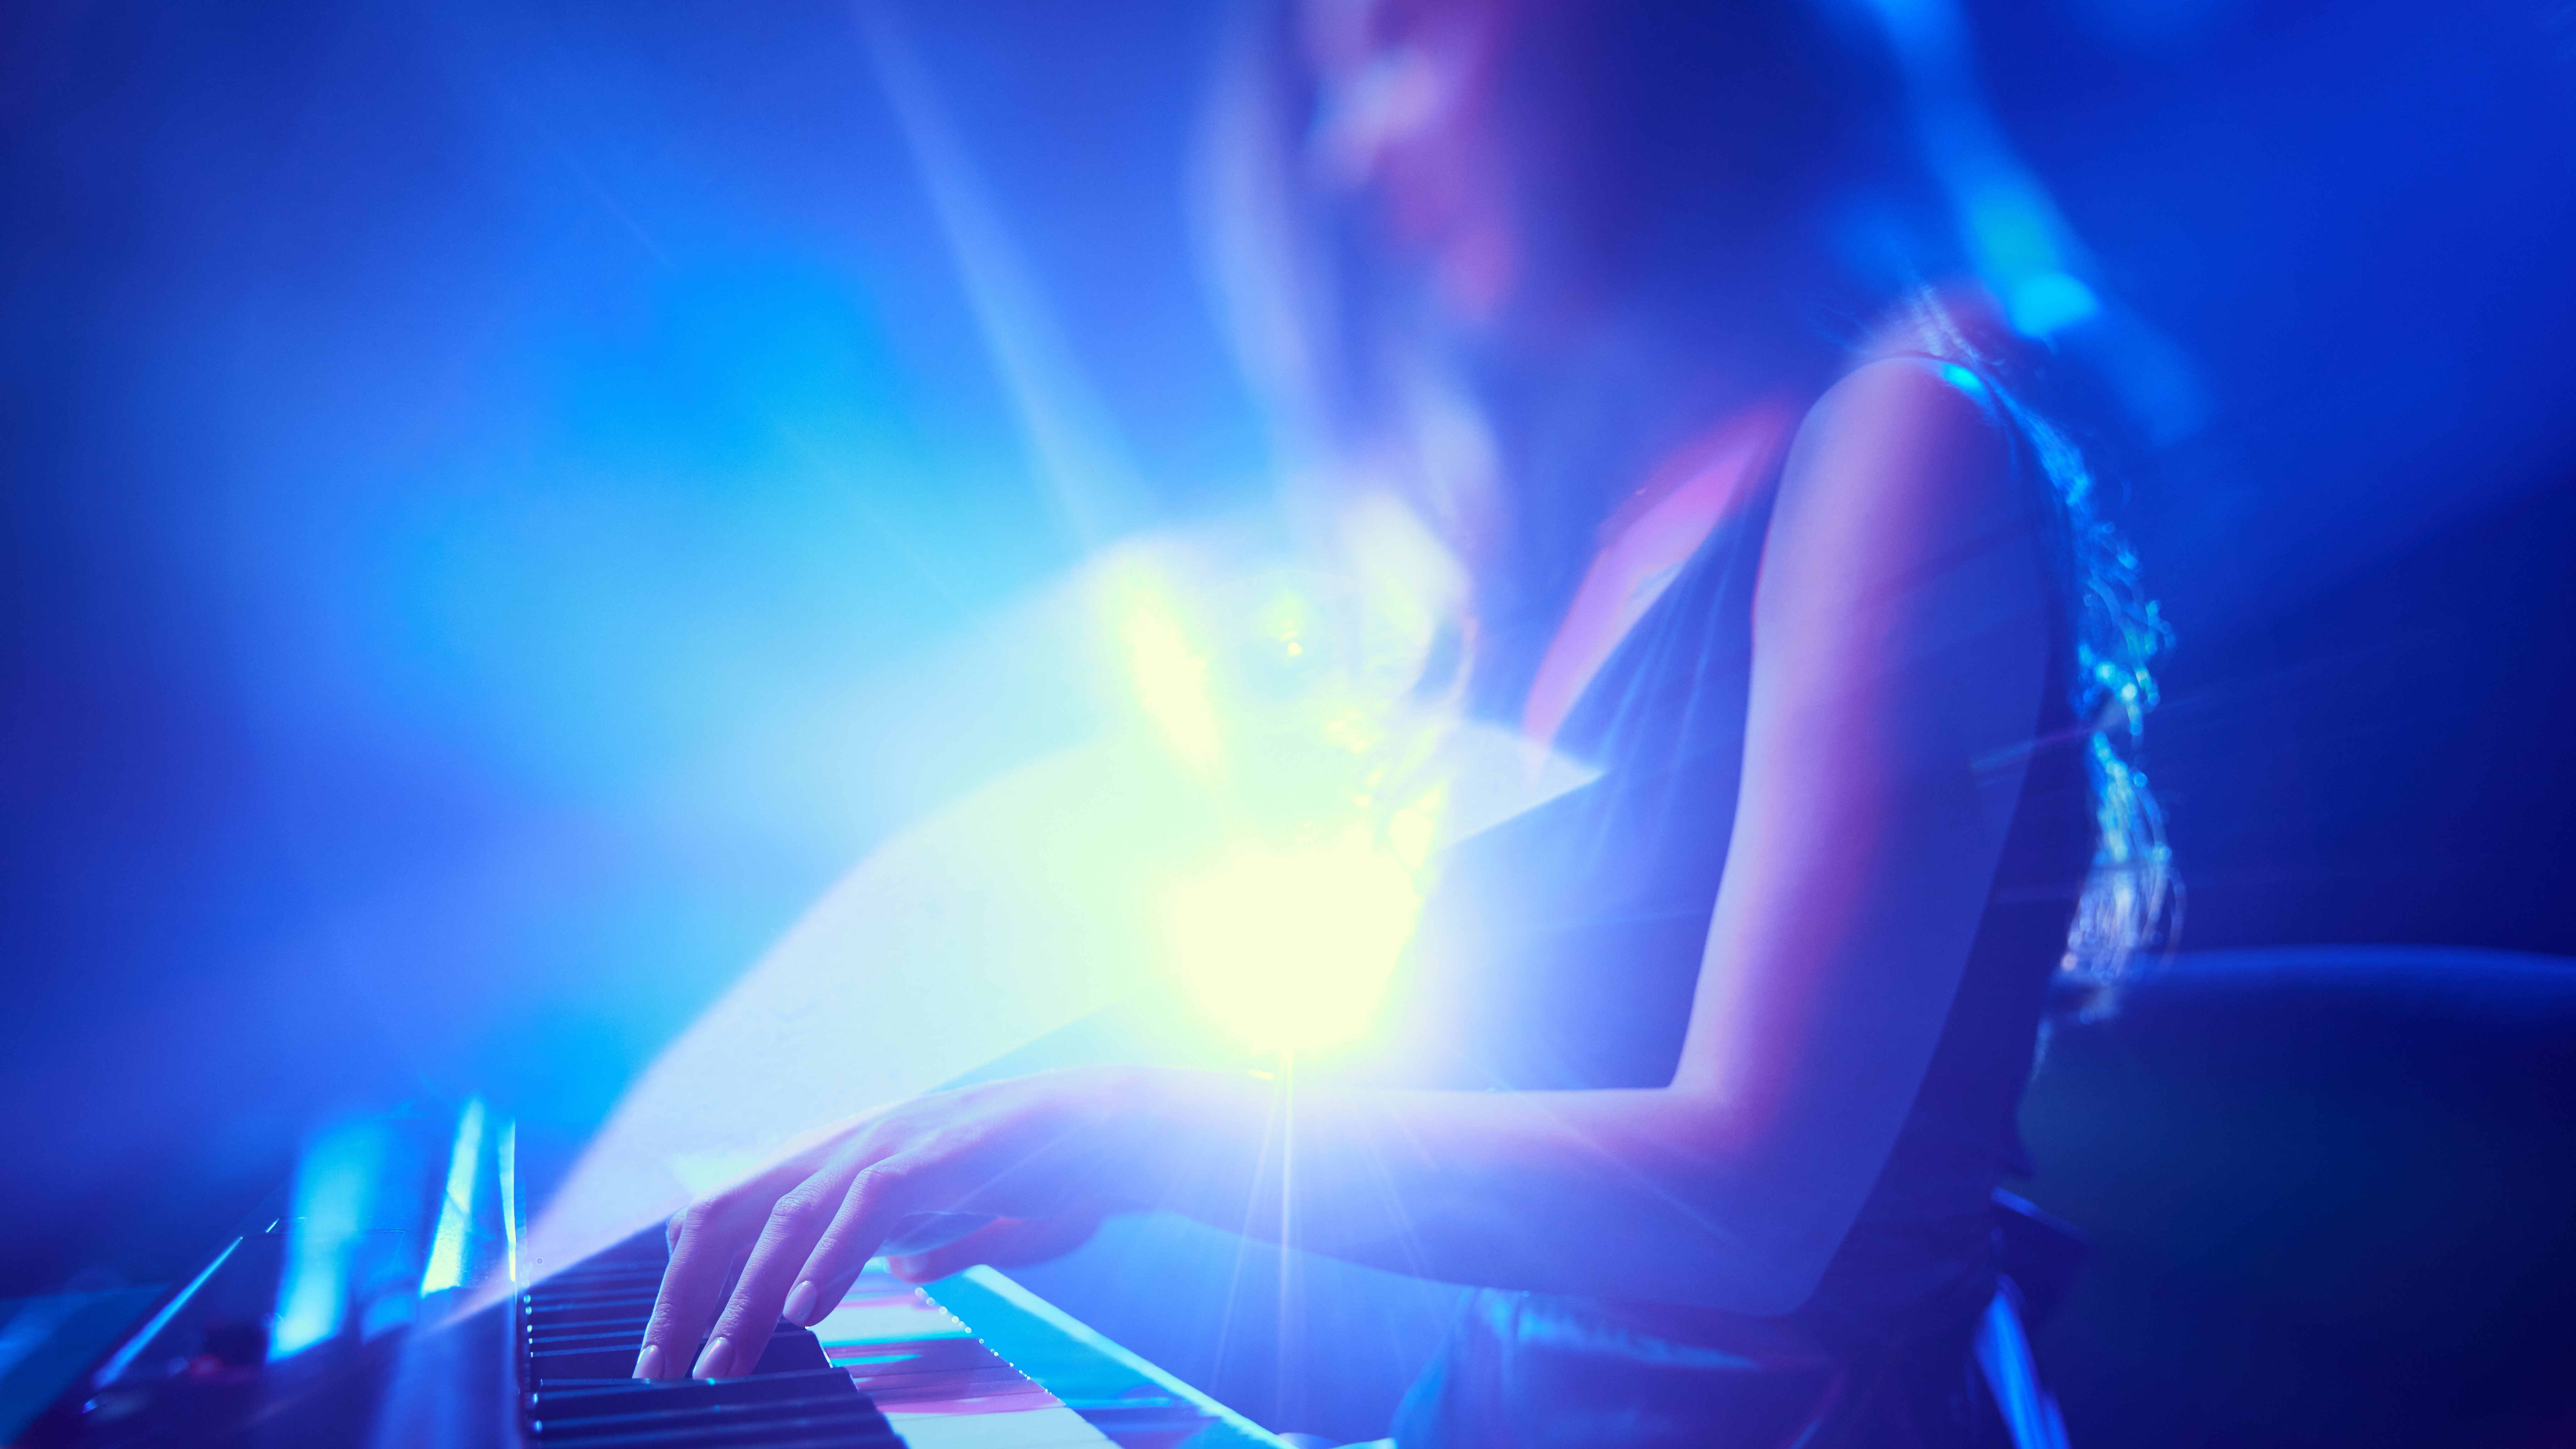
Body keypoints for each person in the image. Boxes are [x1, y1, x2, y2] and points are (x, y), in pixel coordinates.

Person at [631, 0, 2172, 1443]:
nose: (1349, 147)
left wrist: (1137, 1127)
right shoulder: (1557, 563)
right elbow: (1513, 1129)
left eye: (1401, 34)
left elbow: (1756, 1199)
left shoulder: (1903, 436)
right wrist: (1004, 1127)